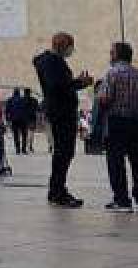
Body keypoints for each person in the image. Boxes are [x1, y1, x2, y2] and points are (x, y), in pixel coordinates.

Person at [33, 33, 94, 208]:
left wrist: (77, 83)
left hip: (60, 111)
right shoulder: (52, 62)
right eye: (70, 46)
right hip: (61, 112)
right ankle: (57, 191)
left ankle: (57, 189)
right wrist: (80, 83)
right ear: (63, 46)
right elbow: (57, 86)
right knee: (64, 152)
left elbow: (60, 84)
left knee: (64, 152)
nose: (71, 50)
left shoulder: (50, 61)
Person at [99, 42, 138, 213]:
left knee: (116, 161)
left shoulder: (112, 73)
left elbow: (105, 98)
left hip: (117, 121)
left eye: (111, 53)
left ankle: (122, 200)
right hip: (137, 122)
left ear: (116, 55)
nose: (109, 56)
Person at [5, 88, 29, 155]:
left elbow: (7, 111)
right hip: (23, 120)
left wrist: (7, 119)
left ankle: (17, 150)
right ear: (19, 93)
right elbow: (26, 110)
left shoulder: (10, 100)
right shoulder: (23, 100)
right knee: (24, 135)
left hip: (14, 120)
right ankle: (23, 149)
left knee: (16, 135)